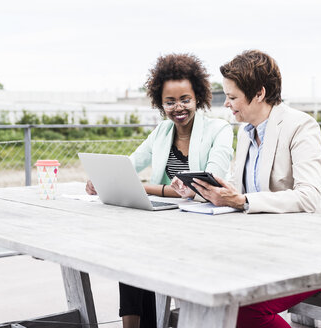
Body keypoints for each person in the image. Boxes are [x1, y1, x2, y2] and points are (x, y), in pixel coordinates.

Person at [171, 50, 321, 328]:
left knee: (242, 309)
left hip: (313, 250)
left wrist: (241, 200)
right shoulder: (247, 131)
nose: (226, 104)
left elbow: (309, 196)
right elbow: (239, 188)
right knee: (198, 284)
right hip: (267, 249)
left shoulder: (300, 126)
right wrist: (200, 190)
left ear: (259, 93)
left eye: (233, 97)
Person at [86, 53, 233, 328]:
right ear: (160, 102)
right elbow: (128, 166)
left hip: (207, 227)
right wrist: (100, 179)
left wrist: (151, 188)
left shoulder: (219, 129)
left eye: (185, 99)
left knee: (142, 252)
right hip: (166, 224)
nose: (178, 107)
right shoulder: (162, 132)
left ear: (198, 97)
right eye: (170, 101)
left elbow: (209, 183)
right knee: (129, 253)